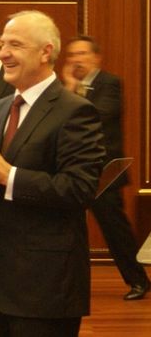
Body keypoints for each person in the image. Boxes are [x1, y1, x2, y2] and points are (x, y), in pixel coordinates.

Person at [0, 10, 105, 337]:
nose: (2, 53)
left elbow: (80, 188)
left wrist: (11, 176)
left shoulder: (75, 111)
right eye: (3, 44)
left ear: (46, 52)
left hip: (46, 288)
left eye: (14, 45)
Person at [63, 35, 150, 300]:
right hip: (74, 171)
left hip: (105, 172)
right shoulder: (67, 89)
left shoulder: (109, 83)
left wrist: (71, 89)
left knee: (115, 229)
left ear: (96, 57)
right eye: (72, 55)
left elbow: (97, 115)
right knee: (67, 229)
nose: (76, 59)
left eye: (82, 54)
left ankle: (138, 281)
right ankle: (68, 285)